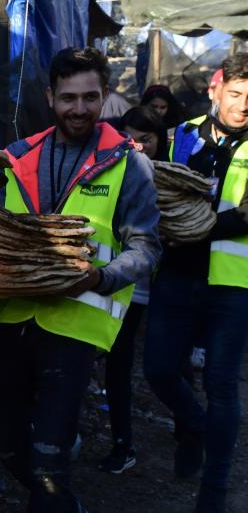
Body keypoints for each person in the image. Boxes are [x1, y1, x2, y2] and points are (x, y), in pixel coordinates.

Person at [0, 47, 161, 512]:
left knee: (47, 467)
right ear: (50, 97)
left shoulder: (129, 163)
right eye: (68, 98)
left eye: (90, 97)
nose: (78, 109)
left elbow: (147, 247)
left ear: (104, 96)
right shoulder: (18, 158)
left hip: (74, 329)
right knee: (6, 446)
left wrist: (99, 277)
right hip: (10, 322)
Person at [143, 52, 248, 513]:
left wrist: (194, 224)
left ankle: (214, 491)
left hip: (233, 283)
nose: (244, 106)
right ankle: (193, 427)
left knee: (223, 385)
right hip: (178, 274)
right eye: (237, 95)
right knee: (159, 370)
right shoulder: (182, 136)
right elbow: (159, 191)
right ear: (215, 89)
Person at [95, 106, 166, 475]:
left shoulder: (165, 178)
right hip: (105, 282)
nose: (138, 145)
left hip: (137, 291)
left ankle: (124, 444)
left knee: (120, 365)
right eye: (131, 136)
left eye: (147, 138)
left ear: (160, 140)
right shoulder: (111, 166)